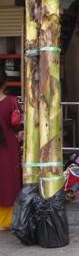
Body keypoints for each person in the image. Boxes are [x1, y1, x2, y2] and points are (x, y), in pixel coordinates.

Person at [0, 69, 21, 229]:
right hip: (8, 148)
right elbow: (16, 125)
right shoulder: (12, 102)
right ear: (5, 83)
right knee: (8, 181)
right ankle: (6, 222)